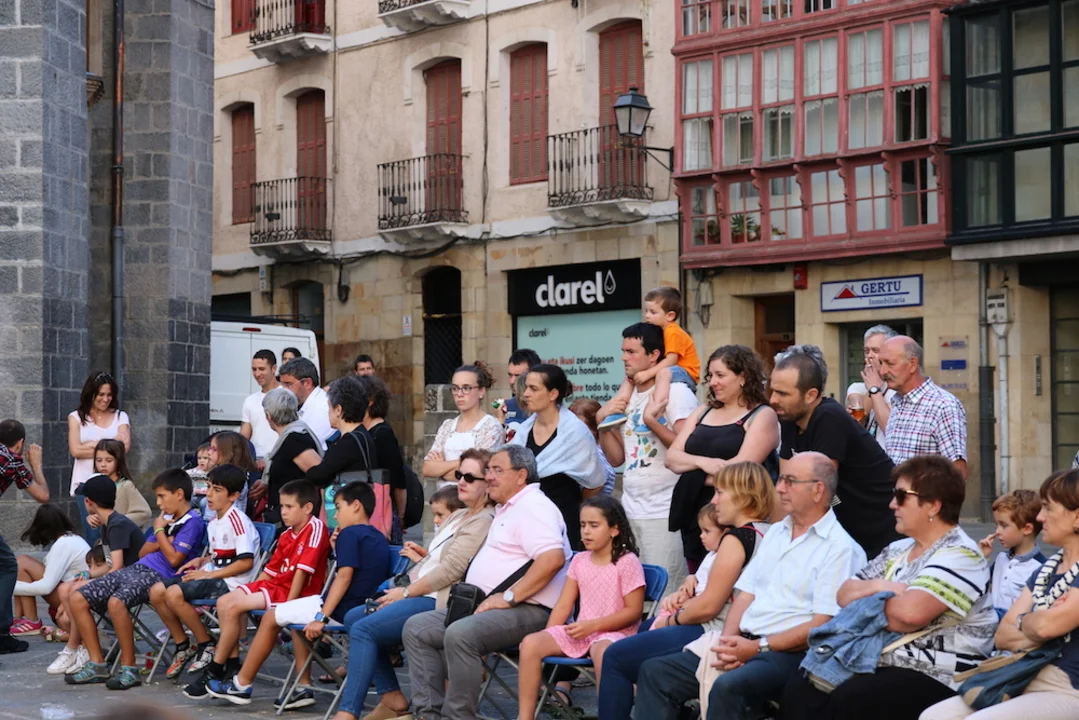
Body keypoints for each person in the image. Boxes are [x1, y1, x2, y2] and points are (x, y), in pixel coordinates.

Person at [631, 452, 866, 720]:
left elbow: (822, 625)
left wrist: (756, 648)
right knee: (655, 672)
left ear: (818, 490)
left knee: (729, 686)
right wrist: (728, 644)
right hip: (745, 642)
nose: (779, 488)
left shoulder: (840, 548)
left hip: (792, 653)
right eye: (781, 479)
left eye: (790, 481)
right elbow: (745, 595)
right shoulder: (777, 532)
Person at [781, 456, 996, 720]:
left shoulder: (961, 554)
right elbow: (844, 593)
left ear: (933, 505)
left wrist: (866, 603)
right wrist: (882, 586)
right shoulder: (898, 549)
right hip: (880, 657)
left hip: (939, 671)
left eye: (901, 496)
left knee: (852, 700)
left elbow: (909, 615)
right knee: (799, 688)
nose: (892, 504)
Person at [402, 445, 571, 720]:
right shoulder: (509, 507)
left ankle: (458, 717)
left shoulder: (534, 507)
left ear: (521, 475)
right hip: (487, 606)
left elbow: (552, 559)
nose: (489, 476)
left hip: (530, 609)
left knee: (461, 633)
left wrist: (509, 597)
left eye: (497, 470)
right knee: (417, 628)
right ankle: (428, 715)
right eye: (489, 469)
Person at [598, 462, 774, 720]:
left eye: (720, 492)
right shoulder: (770, 532)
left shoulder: (737, 538)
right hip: (739, 631)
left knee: (615, 657)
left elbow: (708, 607)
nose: (714, 501)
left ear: (743, 494)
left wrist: (672, 620)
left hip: (715, 630)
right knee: (648, 660)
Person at [330, 448, 496, 720]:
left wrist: (405, 592)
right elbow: (439, 560)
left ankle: (349, 712)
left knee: (363, 628)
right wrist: (417, 567)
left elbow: (452, 570)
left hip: (439, 599)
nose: (461, 481)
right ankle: (391, 697)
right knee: (353, 617)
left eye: (469, 477)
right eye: (459, 475)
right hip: (422, 590)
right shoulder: (460, 515)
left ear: (487, 483)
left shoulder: (482, 520)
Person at [208, 482, 387, 708]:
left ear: (356, 506)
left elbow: (344, 578)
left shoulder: (349, 534)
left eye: (339, 507)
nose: (335, 515)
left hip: (340, 610)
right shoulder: (378, 536)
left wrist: (322, 617)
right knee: (292, 613)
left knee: (273, 616)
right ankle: (303, 687)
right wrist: (335, 549)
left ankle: (241, 684)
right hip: (360, 608)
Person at [921, 468, 1079, 720]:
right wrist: (1036, 623)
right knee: (933, 715)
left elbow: (1045, 628)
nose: (1041, 517)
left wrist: (1028, 623)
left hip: (1067, 686)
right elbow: (1003, 635)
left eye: (1048, 508)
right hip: (1022, 674)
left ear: (1077, 517)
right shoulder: (1045, 571)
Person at [183, 479, 330, 700]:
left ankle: (216, 668)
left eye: (289, 507)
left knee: (233, 606)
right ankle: (229, 666)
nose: (283, 512)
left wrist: (289, 606)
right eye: (281, 506)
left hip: (296, 593)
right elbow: (269, 572)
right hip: (276, 585)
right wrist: (251, 589)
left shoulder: (315, 528)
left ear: (307, 507)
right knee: (225, 602)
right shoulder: (287, 534)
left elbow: (301, 573)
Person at [66, 469, 205, 690]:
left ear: (179, 494)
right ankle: (97, 663)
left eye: (162, 497)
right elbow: (143, 552)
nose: (158, 503)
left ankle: (129, 668)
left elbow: (173, 559)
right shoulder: (167, 520)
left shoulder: (192, 522)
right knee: (77, 597)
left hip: (161, 576)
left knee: (116, 602)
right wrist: (162, 537)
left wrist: (159, 532)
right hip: (139, 568)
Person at [517, 496, 646, 719]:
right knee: (530, 643)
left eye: (594, 525)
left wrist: (593, 626)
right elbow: (564, 604)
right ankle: (525, 716)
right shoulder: (579, 561)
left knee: (604, 652)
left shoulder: (627, 562)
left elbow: (633, 612)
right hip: (582, 631)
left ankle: (609, 714)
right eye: (583, 525)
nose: (586, 531)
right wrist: (548, 633)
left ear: (614, 529)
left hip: (616, 633)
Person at [770, 344, 900, 559]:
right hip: (851, 532)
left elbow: (817, 492)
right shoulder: (790, 416)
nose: (773, 399)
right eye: (773, 391)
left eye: (782, 393)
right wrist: (776, 541)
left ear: (810, 395)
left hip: (882, 531)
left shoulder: (828, 418)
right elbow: (785, 487)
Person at [598, 323, 698, 591]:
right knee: (634, 594)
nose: (624, 358)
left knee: (666, 593)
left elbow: (688, 450)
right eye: (623, 351)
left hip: (665, 512)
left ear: (654, 355)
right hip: (630, 510)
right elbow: (617, 459)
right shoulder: (627, 395)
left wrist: (652, 420)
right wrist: (602, 423)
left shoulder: (676, 392)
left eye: (631, 352)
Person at [666, 344, 779, 567]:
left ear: (743, 377)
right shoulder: (703, 411)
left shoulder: (762, 415)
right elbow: (671, 458)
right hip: (695, 516)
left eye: (720, 375)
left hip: (736, 517)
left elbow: (740, 473)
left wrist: (693, 475)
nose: (713, 382)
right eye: (711, 376)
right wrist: (703, 463)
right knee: (697, 579)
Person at [150, 464, 260, 681]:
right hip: (216, 574)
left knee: (174, 593)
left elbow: (245, 562)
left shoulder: (237, 521)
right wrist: (202, 560)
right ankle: (184, 644)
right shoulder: (215, 521)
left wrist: (208, 575)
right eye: (209, 487)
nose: (209, 494)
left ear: (234, 496)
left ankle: (205, 643)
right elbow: (221, 555)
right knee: (156, 591)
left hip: (234, 583)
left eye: (217, 490)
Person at [46, 474, 144, 675]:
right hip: (123, 577)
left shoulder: (117, 524)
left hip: (132, 581)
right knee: (65, 588)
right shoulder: (108, 523)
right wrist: (88, 574)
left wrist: (92, 583)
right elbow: (109, 564)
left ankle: (76, 648)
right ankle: (80, 647)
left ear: (88, 502)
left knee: (75, 592)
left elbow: (117, 567)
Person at [510, 364, 606, 549]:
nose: (526, 394)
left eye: (533, 388)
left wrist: (576, 508)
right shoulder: (524, 429)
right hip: (526, 517)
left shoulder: (575, 431)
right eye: (526, 387)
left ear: (553, 394)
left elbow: (595, 482)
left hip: (562, 519)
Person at [601, 286, 700, 434]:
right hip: (674, 370)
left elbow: (671, 360)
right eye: (646, 311)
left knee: (663, 373)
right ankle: (617, 411)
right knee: (631, 377)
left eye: (653, 312)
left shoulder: (673, 332)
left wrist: (648, 373)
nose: (647, 316)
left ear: (670, 316)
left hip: (687, 373)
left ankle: (656, 413)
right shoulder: (663, 332)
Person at [304, 376, 388, 533]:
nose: (327, 413)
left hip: (349, 518)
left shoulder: (347, 443)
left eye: (329, 408)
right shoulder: (363, 435)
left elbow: (318, 475)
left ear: (339, 410)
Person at [879, 336, 968, 477]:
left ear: (913, 364)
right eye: (881, 363)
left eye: (890, 364)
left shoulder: (943, 405)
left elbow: (958, 472)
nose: (882, 371)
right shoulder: (897, 402)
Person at [0, 419, 50, 655]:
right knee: (7, 566)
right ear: (20, 443)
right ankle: (1, 634)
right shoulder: (12, 460)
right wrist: (36, 465)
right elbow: (43, 496)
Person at [68, 371, 131, 543]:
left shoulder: (120, 416)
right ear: (91, 393)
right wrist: (110, 444)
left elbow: (124, 448)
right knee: (94, 534)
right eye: (101, 394)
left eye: (109, 395)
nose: (106, 399)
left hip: (114, 483)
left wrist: (91, 445)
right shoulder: (76, 417)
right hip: (85, 483)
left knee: (113, 531)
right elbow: (75, 451)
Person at [11, 504, 89, 637]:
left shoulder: (64, 543)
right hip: (73, 593)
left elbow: (46, 587)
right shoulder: (71, 538)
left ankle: (31, 621)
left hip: (74, 597)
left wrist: (11, 587)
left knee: (22, 563)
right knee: (21, 562)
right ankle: (19, 618)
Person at [423, 362, 504, 488]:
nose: (459, 394)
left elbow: (477, 471)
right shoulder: (447, 426)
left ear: (481, 391)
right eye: (455, 388)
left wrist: (441, 469)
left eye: (466, 388)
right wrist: (463, 463)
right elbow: (427, 468)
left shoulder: (491, 427)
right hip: (443, 496)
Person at [978, 489, 1045, 620]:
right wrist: (981, 558)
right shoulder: (1000, 559)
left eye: (1003, 525)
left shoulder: (1041, 568)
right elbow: (979, 585)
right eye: (997, 524)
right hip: (992, 628)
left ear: (1027, 529)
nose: (997, 531)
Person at [357, 375, 408, 542]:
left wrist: (400, 517)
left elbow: (398, 480)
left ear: (370, 400)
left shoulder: (382, 434)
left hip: (383, 513)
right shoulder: (363, 432)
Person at [261, 387, 323, 524]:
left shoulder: (295, 440)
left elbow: (320, 473)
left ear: (268, 416)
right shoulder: (291, 437)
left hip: (296, 520)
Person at [845, 325, 899, 447]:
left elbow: (890, 430)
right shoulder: (858, 387)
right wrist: (873, 386)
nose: (870, 356)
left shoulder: (898, 390)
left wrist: (875, 388)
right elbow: (859, 421)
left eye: (876, 351)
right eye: (867, 351)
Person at [89, 439, 151, 530]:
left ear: (118, 461)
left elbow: (144, 513)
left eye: (109, 460)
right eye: (99, 460)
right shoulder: (96, 485)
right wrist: (92, 518)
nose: (103, 464)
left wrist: (117, 521)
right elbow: (94, 512)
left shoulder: (126, 486)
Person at [279, 357, 334, 449]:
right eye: (283, 385)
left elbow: (302, 448)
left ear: (307, 383)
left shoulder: (323, 408)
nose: (284, 390)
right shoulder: (300, 404)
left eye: (289, 384)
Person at [240, 349, 281, 468]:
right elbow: (244, 436)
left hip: (279, 459)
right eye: (254, 369)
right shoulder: (250, 400)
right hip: (255, 461)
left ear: (274, 368)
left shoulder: (286, 396)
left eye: (262, 369)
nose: (257, 374)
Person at [204, 431, 256, 522]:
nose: (208, 452)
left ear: (229, 453)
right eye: (209, 448)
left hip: (228, 524)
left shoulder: (234, 477)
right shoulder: (218, 473)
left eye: (214, 449)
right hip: (213, 522)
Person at [569, 397, 617, 496]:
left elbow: (596, 485)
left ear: (594, 429)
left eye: (578, 426)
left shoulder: (595, 454)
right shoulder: (580, 451)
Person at [497, 348, 542, 428]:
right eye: (510, 375)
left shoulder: (545, 406)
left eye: (518, 376)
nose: (512, 381)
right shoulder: (507, 406)